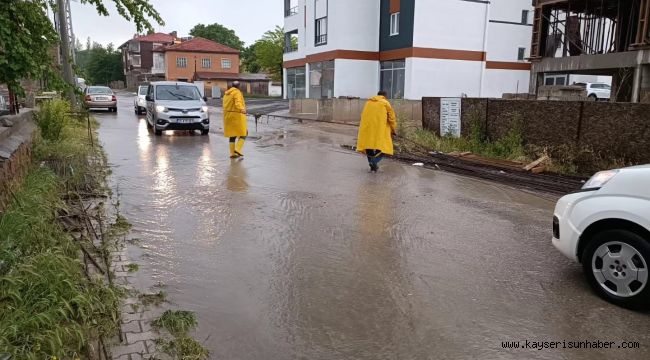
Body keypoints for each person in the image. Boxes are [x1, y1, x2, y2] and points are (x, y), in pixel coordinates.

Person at [356, 90, 397, 172]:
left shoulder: (368, 102)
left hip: (367, 129)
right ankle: (374, 162)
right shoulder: (385, 103)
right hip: (381, 129)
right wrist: (394, 130)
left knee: (368, 146)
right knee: (384, 147)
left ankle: (372, 166)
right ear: (385, 96)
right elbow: (391, 118)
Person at [223, 81, 247, 159]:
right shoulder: (237, 92)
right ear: (238, 86)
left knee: (232, 135)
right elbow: (238, 103)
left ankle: (232, 153)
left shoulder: (226, 94)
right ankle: (238, 149)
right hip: (236, 116)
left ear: (232, 86)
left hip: (228, 116)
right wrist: (242, 109)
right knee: (244, 133)